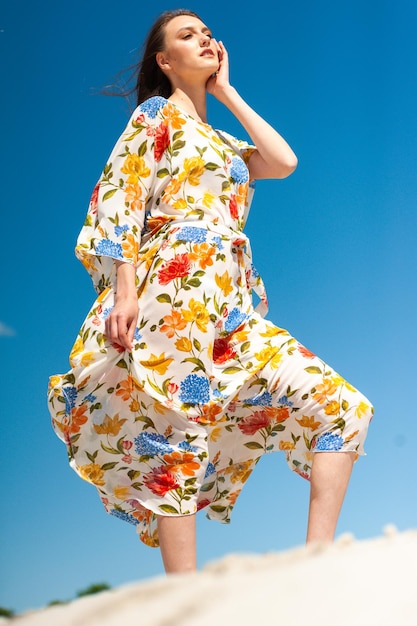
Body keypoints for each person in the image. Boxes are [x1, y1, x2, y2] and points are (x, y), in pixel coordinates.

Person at [48, 8, 373, 573]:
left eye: (206, 32)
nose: (203, 39)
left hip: (230, 305)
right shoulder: (156, 116)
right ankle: (187, 596)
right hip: (170, 293)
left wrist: (227, 91)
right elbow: (120, 199)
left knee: (341, 407)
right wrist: (124, 292)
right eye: (185, 35)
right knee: (175, 433)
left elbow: (283, 161)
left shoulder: (223, 142)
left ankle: (317, 567)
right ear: (163, 60)